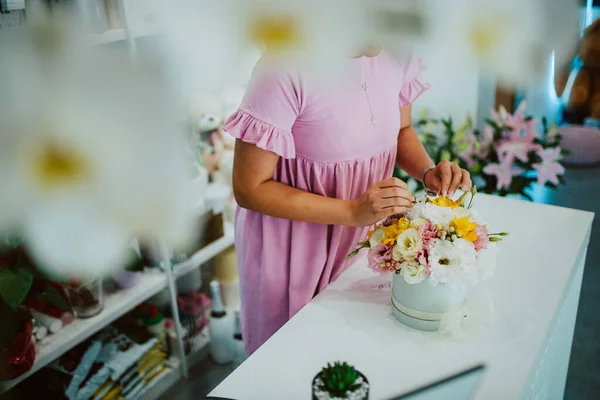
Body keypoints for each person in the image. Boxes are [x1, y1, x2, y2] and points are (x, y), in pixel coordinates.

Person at [224, 48, 471, 355]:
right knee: (294, 360)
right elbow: (250, 188)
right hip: (292, 250)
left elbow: (401, 130)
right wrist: (352, 211)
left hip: (363, 241)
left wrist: (427, 172)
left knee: (356, 353)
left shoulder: (398, 51)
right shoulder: (284, 68)